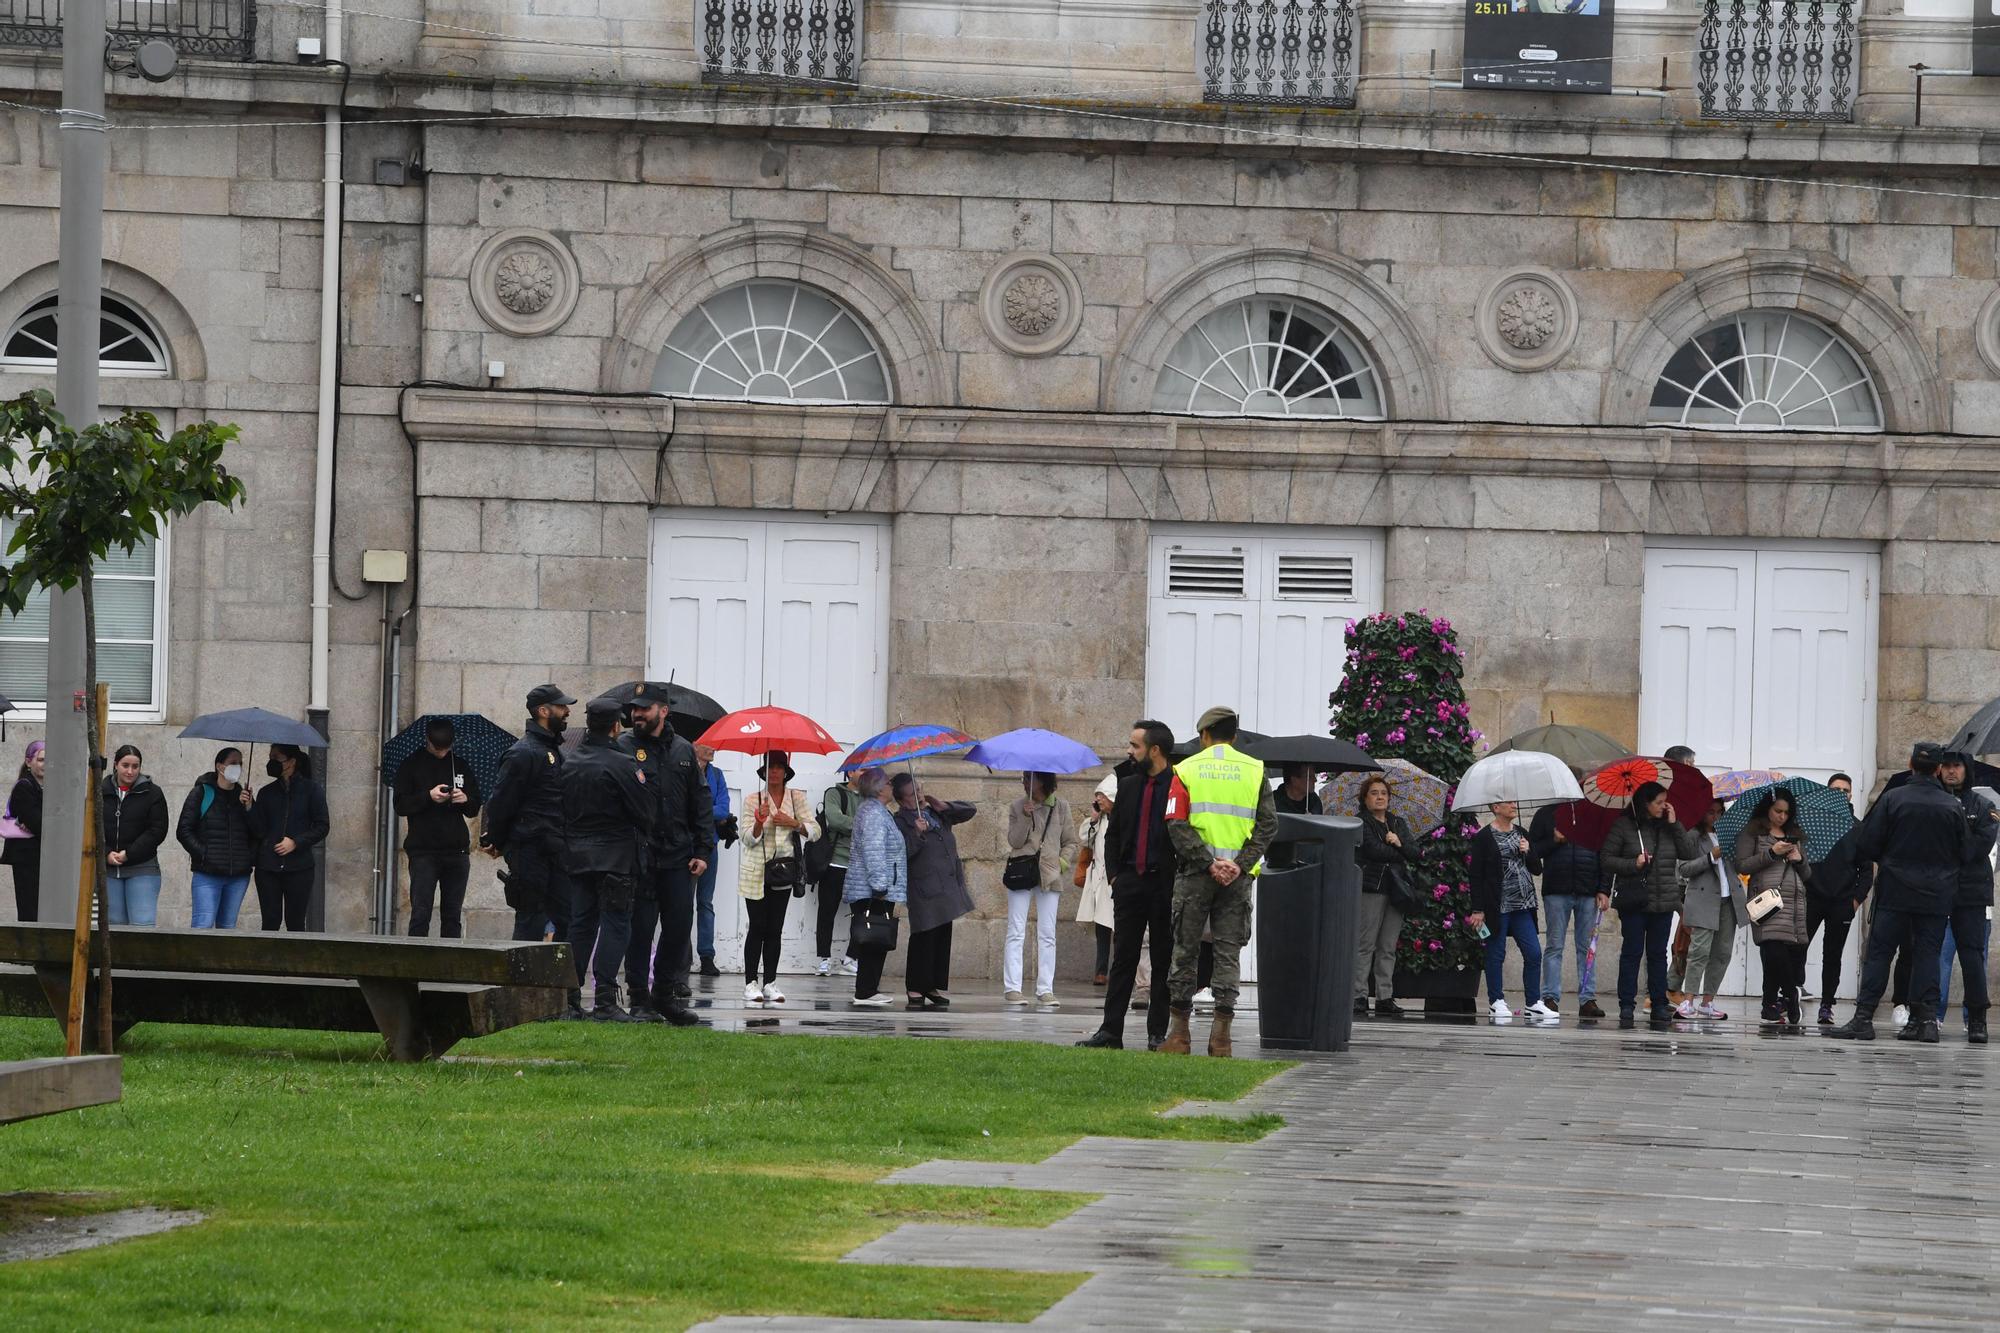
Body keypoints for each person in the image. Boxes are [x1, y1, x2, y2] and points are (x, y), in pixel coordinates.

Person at [1828, 742, 1970, 1043]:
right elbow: (1965, 852)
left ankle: (1864, 1018)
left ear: (1910, 764)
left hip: (1895, 891)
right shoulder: (1952, 806)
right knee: (1927, 955)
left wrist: (1892, 859)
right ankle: (1927, 1020)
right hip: (1935, 894)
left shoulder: (1893, 799)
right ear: (1938, 769)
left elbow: (1866, 844)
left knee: (1880, 954)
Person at [1161, 706, 1277, 1058]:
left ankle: (1179, 1037)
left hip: (1196, 875)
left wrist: (1208, 862)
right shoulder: (1256, 770)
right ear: (1235, 736)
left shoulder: (1185, 769)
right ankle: (1221, 1040)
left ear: (1204, 736)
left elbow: (1175, 822)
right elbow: (1268, 825)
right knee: (1228, 955)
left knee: (1185, 951)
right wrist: (1238, 866)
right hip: (1237, 880)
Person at [617, 684, 714, 1026]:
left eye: (644, 708)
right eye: (634, 709)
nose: (636, 714)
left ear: (663, 710)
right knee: (640, 929)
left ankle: (665, 994)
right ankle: (639, 998)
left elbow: (701, 804)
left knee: (677, 927)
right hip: (640, 856)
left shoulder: (684, 751)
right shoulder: (624, 747)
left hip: (676, 856)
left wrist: (704, 849)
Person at [1078, 720, 1178, 1051]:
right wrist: (1116, 877)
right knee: (1123, 958)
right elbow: (1115, 832)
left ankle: (1156, 1033)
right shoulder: (1130, 785)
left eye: (1135, 745)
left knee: (1163, 958)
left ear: (1155, 750)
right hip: (1130, 883)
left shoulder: (1177, 786)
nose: (1128, 751)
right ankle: (1110, 1031)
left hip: (1163, 885)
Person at [563, 696, 654, 1022]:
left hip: (578, 855)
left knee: (581, 926)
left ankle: (571, 999)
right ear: (617, 726)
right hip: (615, 858)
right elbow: (645, 812)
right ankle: (604, 999)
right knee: (616, 925)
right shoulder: (623, 764)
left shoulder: (570, 761)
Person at [481, 685, 576, 945]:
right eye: (561, 707)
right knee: (531, 919)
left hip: (555, 848)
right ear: (544, 711)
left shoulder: (553, 750)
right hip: (529, 848)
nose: (567, 711)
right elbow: (501, 803)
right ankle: (522, 983)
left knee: (567, 916)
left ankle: (559, 982)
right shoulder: (523, 752)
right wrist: (496, 840)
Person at [1601, 781, 1698, 1028]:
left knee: (1657, 954)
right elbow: (1607, 859)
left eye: (1665, 801)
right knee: (1632, 952)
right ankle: (1626, 1004)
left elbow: (1687, 851)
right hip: (1635, 900)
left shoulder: (1668, 826)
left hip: (1663, 901)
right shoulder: (1624, 826)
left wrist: (1675, 823)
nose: (1663, 806)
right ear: (1645, 803)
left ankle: (1658, 1003)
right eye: (1658, 802)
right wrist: (1632, 864)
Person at [737, 750, 818, 1005]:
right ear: (764, 771)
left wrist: (792, 822)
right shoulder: (753, 799)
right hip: (756, 872)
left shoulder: (797, 798)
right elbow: (746, 839)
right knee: (757, 927)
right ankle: (751, 983)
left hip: (783, 871)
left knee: (775, 929)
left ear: (786, 772)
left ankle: (770, 982)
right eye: (770, 767)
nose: (774, 772)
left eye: (779, 767)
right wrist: (760, 823)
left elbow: (815, 832)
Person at [391, 717, 483, 938]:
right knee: (420, 914)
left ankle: (449, 969)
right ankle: (417, 968)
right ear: (427, 741)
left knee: (452, 916)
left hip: (456, 850)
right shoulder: (411, 764)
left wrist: (464, 799)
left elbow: (474, 807)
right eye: (437, 747)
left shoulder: (459, 764)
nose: (442, 752)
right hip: (423, 850)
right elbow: (400, 805)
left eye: (446, 747)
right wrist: (428, 796)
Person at [891, 774, 976, 1008]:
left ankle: (931, 985)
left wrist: (943, 805)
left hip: (947, 884)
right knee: (924, 937)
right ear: (901, 800)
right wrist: (917, 834)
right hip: (923, 887)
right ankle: (915, 987)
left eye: (919, 790)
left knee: (941, 937)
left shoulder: (936, 812)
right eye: (912, 794)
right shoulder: (900, 821)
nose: (918, 796)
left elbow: (970, 811)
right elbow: (902, 853)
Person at [1470, 800, 1552, 1020]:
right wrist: (1477, 909)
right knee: (1496, 954)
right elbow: (1476, 875)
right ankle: (1496, 1001)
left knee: (1534, 952)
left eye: (1513, 802)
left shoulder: (1522, 833)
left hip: (1523, 905)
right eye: (1507, 802)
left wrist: (1529, 851)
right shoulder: (1484, 837)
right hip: (1498, 906)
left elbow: (1537, 869)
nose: (1513, 805)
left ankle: (1533, 1002)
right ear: (1495, 808)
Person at [1736, 790, 1813, 1026]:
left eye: (1786, 812)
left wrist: (1799, 859)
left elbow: (1807, 874)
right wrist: (1771, 853)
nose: (1782, 817)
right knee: (1773, 949)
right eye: (1777, 811)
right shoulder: (1753, 832)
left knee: (1776, 956)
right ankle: (1791, 995)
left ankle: (1769, 1005)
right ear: (1767, 809)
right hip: (1766, 901)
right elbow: (1742, 865)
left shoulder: (1795, 835)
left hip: (1793, 901)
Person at [1003, 771, 1080, 1006]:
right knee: (1016, 930)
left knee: (1047, 933)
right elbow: (1014, 842)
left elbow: (1071, 841)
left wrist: (1062, 863)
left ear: (1043, 781)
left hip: (1049, 875)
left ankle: (1045, 989)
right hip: (1022, 872)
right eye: (1024, 778)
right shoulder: (1017, 806)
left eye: (1030, 778)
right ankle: (1012, 988)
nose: (1025, 782)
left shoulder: (1061, 807)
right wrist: (1026, 817)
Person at [1937, 750, 1996, 1042]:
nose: (1950, 771)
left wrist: (1956, 821)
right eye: (1945, 765)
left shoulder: (1983, 806)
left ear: (1966, 769)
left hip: (1971, 894)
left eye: (1956, 766)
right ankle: (1928, 1015)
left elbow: (1975, 850)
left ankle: (1976, 1019)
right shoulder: (1933, 802)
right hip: (1936, 891)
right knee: (1933, 956)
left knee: (1973, 958)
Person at [1529, 801, 1609, 1018]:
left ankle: (1587, 999)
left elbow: (1604, 853)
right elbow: (1532, 852)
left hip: (1587, 888)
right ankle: (1550, 998)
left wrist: (1604, 888)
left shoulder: (1593, 816)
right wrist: (1554, 840)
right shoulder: (1545, 813)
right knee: (1555, 945)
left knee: (1586, 946)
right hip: (1557, 888)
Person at [1806, 773, 1873, 1025]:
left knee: (1832, 955)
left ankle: (1827, 1004)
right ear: (1827, 792)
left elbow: (1867, 870)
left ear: (1851, 794)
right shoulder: (1813, 823)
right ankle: (1791, 992)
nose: (1841, 793)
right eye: (1835, 789)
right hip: (1812, 897)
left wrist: (1855, 901)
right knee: (1797, 948)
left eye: (1845, 790)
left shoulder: (1858, 828)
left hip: (1842, 903)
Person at [1353, 774, 1420, 1018]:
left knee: (1388, 946)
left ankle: (1384, 997)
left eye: (1383, 793)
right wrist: (1396, 848)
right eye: (1374, 793)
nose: (1380, 797)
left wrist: (1399, 842)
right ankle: (1358, 995)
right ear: (1365, 798)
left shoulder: (1398, 823)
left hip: (1396, 890)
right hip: (1372, 888)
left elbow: (1414, 852)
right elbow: (1373, 850)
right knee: (1365, 944)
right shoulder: (1361, 822)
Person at [248, 743, 330, 932]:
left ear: (291, 762)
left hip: (299, 868)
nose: (271, 762)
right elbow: (259, 830)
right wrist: (249, 807)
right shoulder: (266, 792)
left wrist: (296, 842)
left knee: (295, 922)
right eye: (270, 758)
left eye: (276, 758)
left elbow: (322, 826)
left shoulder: (312, 790)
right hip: (268, 867)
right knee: (270, 921)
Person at [840, 768, 905, 1006]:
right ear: (879, 788)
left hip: (875, 887)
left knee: (876, 937)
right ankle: (866, 991)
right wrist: (880, 886)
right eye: (888, 782)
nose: (892, 786)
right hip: (873, 889)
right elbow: (874, 850)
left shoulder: (877, 811)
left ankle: (868, 989)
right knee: (873, 938)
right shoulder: (874, 814)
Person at [177, 747, 256, 929]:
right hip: (207, 873)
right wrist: (204, 854)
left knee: (228, 926)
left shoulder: (244, 797)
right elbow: (184, 830)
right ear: (220, 766)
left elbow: (258, 832)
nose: (237, 767)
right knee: (202, 924)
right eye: (233, 763)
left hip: (238, 875)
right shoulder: (202, 793)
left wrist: (250, 808)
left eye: (240, 763)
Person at [1674, 799, 1738, 1021]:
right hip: (1703, 899)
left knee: (1722, 953)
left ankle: (1707, 1002)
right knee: (1699, 951)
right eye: (1711, 812)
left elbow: (1738, 866)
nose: (1716, 817)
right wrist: (1712, 856)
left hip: (1728, 899)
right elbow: (1684, 869)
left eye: (1720, 813)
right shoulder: (1693, 836)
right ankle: (1688, 1000)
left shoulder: (1728, 835)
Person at [100, 745, 170, 927]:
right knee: (114, 926)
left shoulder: (153, 793)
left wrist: (128, 853)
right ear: (115, 765)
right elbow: (91, 827)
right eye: (125, 765)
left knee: (142, 924)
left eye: (135, 766)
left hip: (142, 868)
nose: (130, 771)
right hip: (109, 870)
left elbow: (157, 830)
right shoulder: (100, 791)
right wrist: (106, 852)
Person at [814, 770, 865, 977]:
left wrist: (851, 825)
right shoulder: (834, 793)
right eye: (862, 769)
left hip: (860, 865)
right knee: (827, 912)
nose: (866, 773)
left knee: (861, 914)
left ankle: (851, 958)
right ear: (850, 772)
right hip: (835, 863)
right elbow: (834, 820)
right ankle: (824, 960)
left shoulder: (870, 798)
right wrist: (863, 825)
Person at [1075, 773, 1118, 985]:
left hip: (1117, 879)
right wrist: (1092, 818)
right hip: (1100, 880)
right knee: (1102, 926)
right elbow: (1085, 839)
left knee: (1119, 926)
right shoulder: (1098, 821)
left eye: (1102, 795)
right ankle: (1100, 971)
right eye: (1097, 796)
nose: (1098, 799)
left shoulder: (1121, 819)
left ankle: (1119, 969)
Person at [695, 745, 729, 975]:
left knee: (705, 902)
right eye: (707, 745)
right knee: (680, 904)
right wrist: (709, 808)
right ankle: (679, 957)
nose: (712, 749)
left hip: (710, 846)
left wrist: (698, 807)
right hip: (684, 846)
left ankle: (707, 956)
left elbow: (723, 810)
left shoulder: (716, 775)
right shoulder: (684, 770)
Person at [3, 740, 44, 921]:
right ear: (29, 762)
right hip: (27, 860)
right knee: (30, 912)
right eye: (41, 760)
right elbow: (39, 823)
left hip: (42, 857)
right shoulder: (24, 786)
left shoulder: (48, 788)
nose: (46, 765)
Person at [1267, 763, 1324, 870]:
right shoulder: (1274, 802)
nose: (1315, 780)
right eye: (1309, 776)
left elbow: (1319, 835)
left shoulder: (1314, 802)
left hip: (1310, 865)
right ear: (1294, 779)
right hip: (1279, 864)